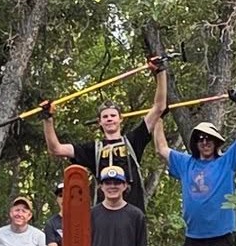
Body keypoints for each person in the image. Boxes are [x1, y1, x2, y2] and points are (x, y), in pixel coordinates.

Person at [41, 57, 169, 215]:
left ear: (120, 119)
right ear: (100, 122)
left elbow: (159, 107)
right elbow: (56, 149)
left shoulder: (133, 140)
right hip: (103, 215)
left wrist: (160, 72)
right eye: (105, 116)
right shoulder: (93, 149)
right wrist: (48, 118)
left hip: (133, 212)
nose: (109, 119)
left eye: (113, 116)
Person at [152, 92, 236, 246]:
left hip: (221, 237)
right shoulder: (185, 163)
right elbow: (161, 148)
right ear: (195, 143)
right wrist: (158, 118)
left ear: (216, 142)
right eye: (200, 138)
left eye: (209, 138)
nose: (205, 142)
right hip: (194, 239)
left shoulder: (226, 161)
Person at [43, 182, 64, 246]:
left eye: (68, 195)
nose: (64, 198)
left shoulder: (86, 220)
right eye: (60, 196)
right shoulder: (51, 224)